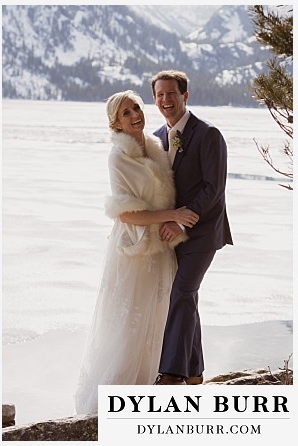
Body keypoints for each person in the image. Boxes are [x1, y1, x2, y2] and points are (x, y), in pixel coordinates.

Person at [73, 90, 199, 413]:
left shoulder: (156, 147)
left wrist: (175, 221)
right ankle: (111, 399)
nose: (135, 115)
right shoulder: (119, 157)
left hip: (160, 249)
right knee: (129, 321)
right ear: (115, 123)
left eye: (137, 108)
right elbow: (125, 212)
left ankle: (145, 395)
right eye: (126, 113)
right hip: (133, 249)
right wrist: (172, 216)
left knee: (157, 318)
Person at [151, 70, 233, 385]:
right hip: (170, 237)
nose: (165, 100)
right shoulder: (157, 137)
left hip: (202, 233)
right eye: (159, 95)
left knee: (182, 292)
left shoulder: (209, 134)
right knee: (189, 297)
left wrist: (180, 219)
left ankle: (171, 373)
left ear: (186, 95)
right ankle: (195, 372)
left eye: (171, 93)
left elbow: (214, 189)